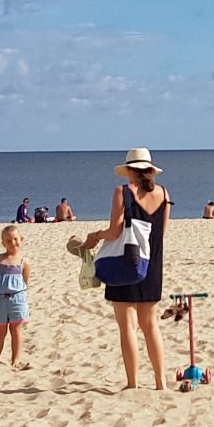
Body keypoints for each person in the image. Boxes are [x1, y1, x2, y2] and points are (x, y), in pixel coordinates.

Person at [69, 148, 169, 390]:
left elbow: (114, 232)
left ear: (128, 171)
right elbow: (161, 233)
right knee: (151, 324)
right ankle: (160, 383)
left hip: (125, 261)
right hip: (152, 262)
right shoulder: (164, 193)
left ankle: (133, 383)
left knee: (127, 326)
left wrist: (95, 236)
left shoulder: (122, 192)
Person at [0, 225, 32, 371]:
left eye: (16, 239)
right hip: (0, 300)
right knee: (0, 331)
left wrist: (23, 300)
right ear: (3, 243)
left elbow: (25, 283)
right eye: (9, 241)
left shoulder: (24, 262)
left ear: (21, 240)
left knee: (16, 329)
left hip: (17, 300)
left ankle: (15, 360)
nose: (13, 243)